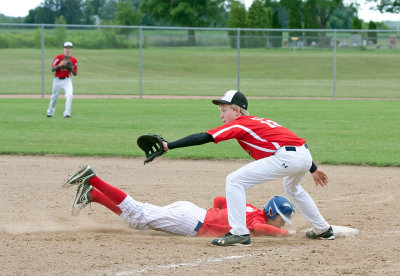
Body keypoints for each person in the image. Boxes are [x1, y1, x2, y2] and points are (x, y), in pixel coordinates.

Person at [158, 90, 334, 246]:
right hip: (302, 154)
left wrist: (169, 145)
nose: (221, 115)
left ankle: (239, 233)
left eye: (224, 110)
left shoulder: (240, 123)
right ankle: (323, 230)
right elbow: (292, 142)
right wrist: (313, 169)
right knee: (292, 187)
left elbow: (206, 136)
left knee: (234, 181)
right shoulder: (259, 121)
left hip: (288, 156)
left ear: (236, 110)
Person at [63, 164, 297, 240]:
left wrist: (214, 216)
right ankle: (92, 177)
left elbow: (219, 200)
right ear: (271, 212)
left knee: (136, 221)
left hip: (192, 213)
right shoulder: (257, 217)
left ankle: (92, 195)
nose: (282, 225)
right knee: (136, 211)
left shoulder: (250, 208)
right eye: (281, 220)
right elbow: (259, 227)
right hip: (190, 221)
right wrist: (289, 236)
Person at [46, 41, 78, 118]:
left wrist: (71, 69)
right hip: (57, 80)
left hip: (67, 80)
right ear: (63, 48)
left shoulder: (74, 60)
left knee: (69, 95)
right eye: (66, 48)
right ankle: (50, 112)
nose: (68, 49)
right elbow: (52, 69)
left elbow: (75, 74)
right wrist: (60, 65)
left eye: (69, 48)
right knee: (54, 97)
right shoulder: (58, 57)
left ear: (71, 49)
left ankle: (67, 113)